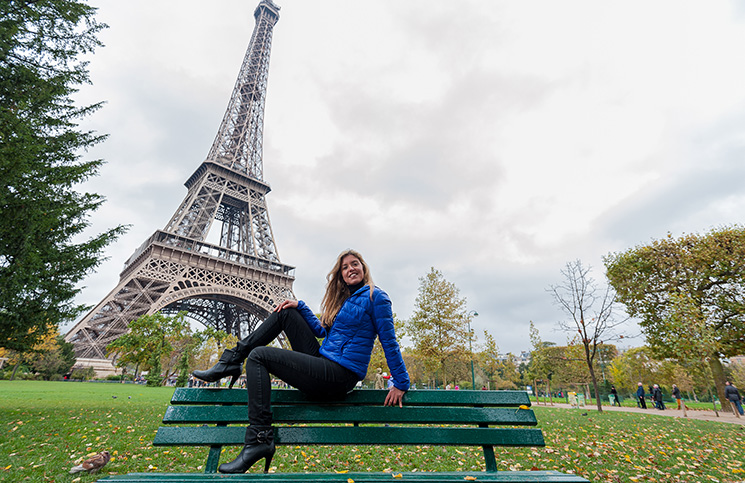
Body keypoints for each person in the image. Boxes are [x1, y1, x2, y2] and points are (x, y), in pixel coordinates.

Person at [191, 249, 410, 473]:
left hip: (340, 374)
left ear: (364, 268)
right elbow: (320, 331)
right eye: (344, 267)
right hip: (325, 362)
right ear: (340, 275)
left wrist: (401, 382)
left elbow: (389, 341)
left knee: (259, 356)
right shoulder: (345, 301)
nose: (350, 269)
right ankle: (232, 359)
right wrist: (300, 306)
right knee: (284, 312)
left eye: (355, 264)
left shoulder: (376, 297)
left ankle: (260, 439)